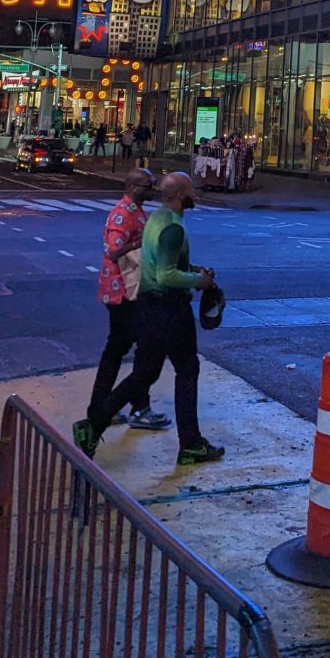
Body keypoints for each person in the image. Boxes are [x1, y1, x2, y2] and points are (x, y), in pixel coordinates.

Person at [75, 172, 223, 467]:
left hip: (149, 308)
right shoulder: (173, 228)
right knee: (187, 369)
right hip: (170, 308)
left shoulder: (154, 219)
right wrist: (199, 281)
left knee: (145, 373)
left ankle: (94, 424)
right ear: (181, 194)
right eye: (190, 189)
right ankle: (191, 444)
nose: (194, 193)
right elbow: (166, 274)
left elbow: (156, 261)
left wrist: (194, 269)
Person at [85, 168, 169, 432]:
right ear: (133, 187)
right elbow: (113, 251)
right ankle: (137, 407)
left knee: (118, 348)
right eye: (148, 184)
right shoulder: (122, 214)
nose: (152, 188)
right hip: (123, 291)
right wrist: (142, 245)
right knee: (142, 348)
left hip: (124, 290)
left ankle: (102, 405)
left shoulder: (136, 212)